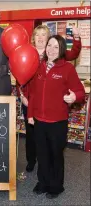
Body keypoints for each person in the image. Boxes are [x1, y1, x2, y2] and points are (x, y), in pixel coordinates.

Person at [17, 24, 81, 173]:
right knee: (31, 135)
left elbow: (74, 53)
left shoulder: (55, 53)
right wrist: (23, 96)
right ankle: (31, 160)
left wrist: (76, 38)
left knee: (49, 140)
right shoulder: (27, 52)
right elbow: (20, 75)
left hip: (51, 108)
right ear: (33, 38)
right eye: (37, 34)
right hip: (30, 102)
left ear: (48, 38)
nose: (40, 38)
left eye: (43, 35)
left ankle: (46, 166)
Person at [27, 35, 85, 199]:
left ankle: (56, 186)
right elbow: (33, 93)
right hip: (39, 120)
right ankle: (43, 182)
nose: (51, 50)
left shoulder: (67, 69)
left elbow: (80, 92)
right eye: (49, 45)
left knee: (56, 155)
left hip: (57, 122)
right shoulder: (38, 66)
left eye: (55, 47)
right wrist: (30, 114)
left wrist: (74, 97)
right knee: (42, 153)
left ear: (61, 51)